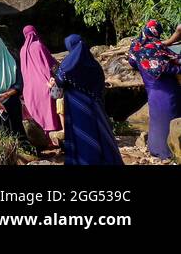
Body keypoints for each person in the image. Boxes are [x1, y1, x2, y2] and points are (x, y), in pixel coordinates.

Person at [54, 34, 122, 165]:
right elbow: (101, 87)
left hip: (76, 110)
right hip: (96, 108)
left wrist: (52, 84)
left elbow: (57, 90)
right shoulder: (95, 66)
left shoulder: (67, 66)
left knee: (80, 137)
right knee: (99, 135)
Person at [127, 19, 181, 159]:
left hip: (152, 91)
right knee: (170, 119)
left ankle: (155, 148)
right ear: (157, 32)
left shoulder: (136, 47)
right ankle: (169, 152)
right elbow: (171, 67)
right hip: (168, 90)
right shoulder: (157, 47)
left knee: (157, 119)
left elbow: (132, 62)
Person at [18, 25, 61, 141]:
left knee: (37, 115)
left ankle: (42, 140)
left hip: (29, 89)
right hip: (45, 86)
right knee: (50, 113)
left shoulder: (22, 51)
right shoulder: (38, 46)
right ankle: (54, 138)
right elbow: (51, 64)